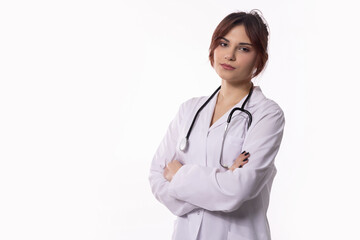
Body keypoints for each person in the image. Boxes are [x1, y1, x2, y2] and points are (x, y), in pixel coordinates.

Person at [149, 10, 285, 240]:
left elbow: (239, 190)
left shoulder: (267, 114)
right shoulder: (189, 110)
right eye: (223, 44)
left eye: (243, 48)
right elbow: (156, 177)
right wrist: (224, 176)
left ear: (259, 59)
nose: (229, 55)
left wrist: (181, 176)